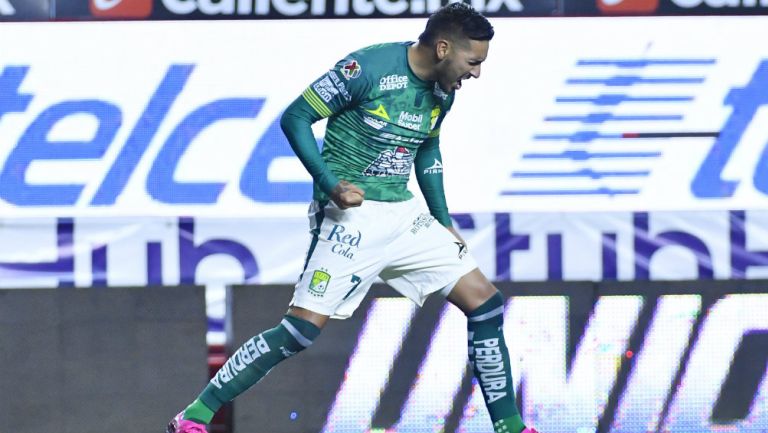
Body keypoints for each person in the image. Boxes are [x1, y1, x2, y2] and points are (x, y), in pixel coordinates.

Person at [167, 3, 537, 433]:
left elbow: (427, 148)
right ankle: (195, 415)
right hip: (350, 219)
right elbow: (296, 116)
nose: (476, 73)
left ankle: (509, 426)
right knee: (298, 333)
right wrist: (330, 185)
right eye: (473, 62)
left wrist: (441, 217)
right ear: (442, 48)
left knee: (485, 302)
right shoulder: (367, 68)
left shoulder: (443, 88)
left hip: (404, 216)